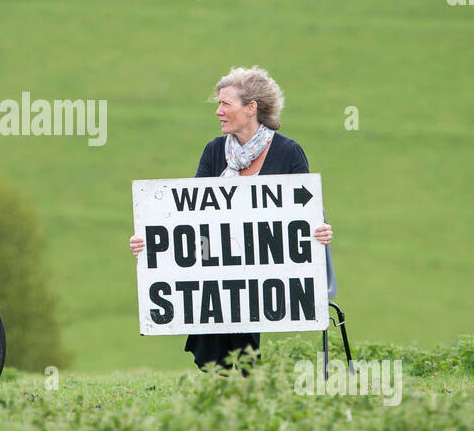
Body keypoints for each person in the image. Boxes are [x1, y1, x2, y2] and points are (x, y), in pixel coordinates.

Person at [129, 65, 335, 370]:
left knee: (242, 325)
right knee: (218, 338)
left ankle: (244, 383)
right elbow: (190, 216)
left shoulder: (288, 152)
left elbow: (306, 213)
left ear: (251, 108)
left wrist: (319, 232)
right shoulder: (214, 152)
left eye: (225, 104)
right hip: (222, 269)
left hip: (267, 271)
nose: (218, 112)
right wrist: (152, 241)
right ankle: (233, 385)